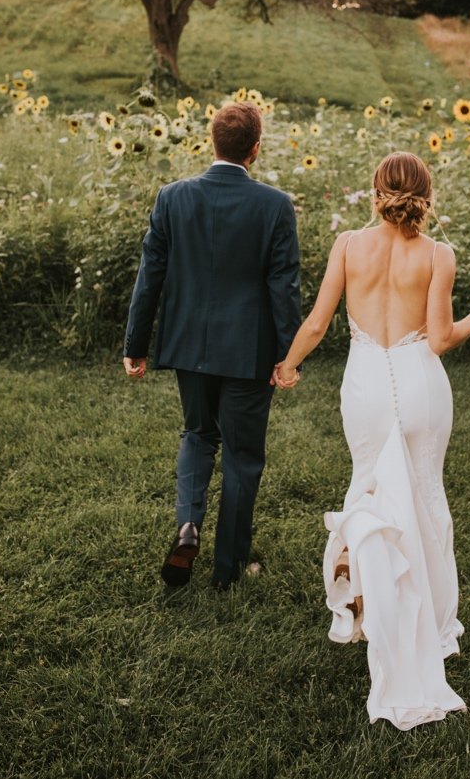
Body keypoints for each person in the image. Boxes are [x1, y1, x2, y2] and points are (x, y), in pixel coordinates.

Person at [273, 151, 470, 729]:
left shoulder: (349, 245)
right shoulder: (437, 254)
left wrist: (289, 365)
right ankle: (433, 624)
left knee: (370, 491)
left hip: (367, 386)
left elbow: (319, 322)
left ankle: (368, 606)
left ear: (376, 192)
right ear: (426, 195)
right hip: (422, 386)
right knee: (425, 497)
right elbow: (441, 339)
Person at [123, 101, 302, 591]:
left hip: (190, 347)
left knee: (198, 434)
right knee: (243, 456)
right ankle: (228, 570)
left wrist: (135, 344)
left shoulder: (172, 197)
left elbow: (150, 276)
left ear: (212, 143)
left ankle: (188, 526)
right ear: (255, 149)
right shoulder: (275, 205)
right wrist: (290, 355)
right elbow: (283, 286)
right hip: (250, 353)